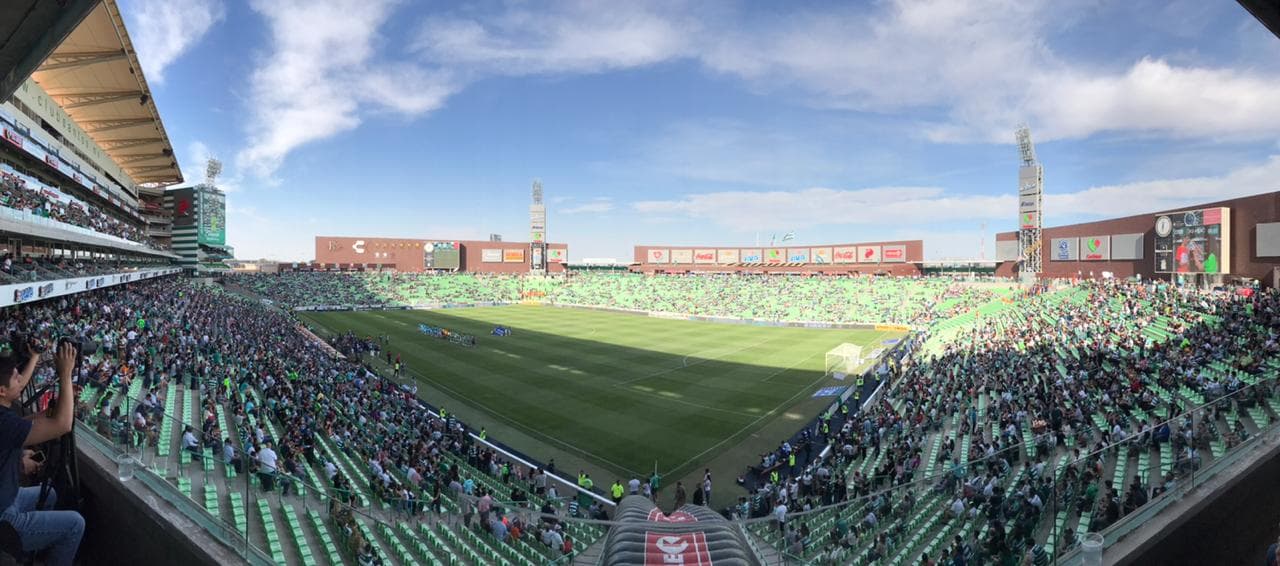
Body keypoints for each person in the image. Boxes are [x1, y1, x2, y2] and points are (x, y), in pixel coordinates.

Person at [0, 341, 84, 566]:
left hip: (8, 496)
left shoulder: (5, 417)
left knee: (52, 494)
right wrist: (65, 374)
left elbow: (25, 424)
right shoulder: (3, 422)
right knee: (75, 523)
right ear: (2, 391)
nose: (21, 379)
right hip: (3, 515)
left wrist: (56, 405)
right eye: (16, 377)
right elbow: (62, 425)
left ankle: (30, 552)